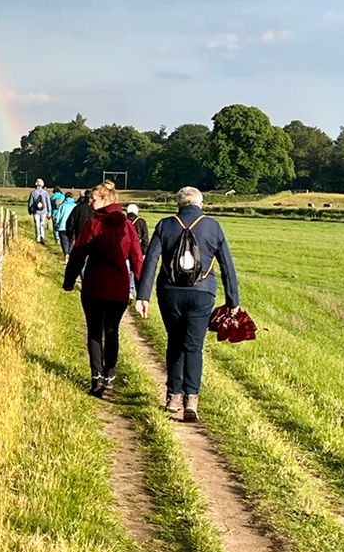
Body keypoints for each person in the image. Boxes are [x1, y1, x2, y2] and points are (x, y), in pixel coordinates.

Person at [134, 185, 240, 422]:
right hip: (202, 293)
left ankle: (173, 397)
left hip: (170, 292)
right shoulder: (213, 226)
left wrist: (143, 296)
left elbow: (150, 261)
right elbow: (227, 268)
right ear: (201, 204)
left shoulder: (165, 224)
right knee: (194, 345)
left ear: (178, 204)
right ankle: (192, 400)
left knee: (174, 342)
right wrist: (233, 301)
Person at [64, 181, 144, 397]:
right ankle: (110, 374)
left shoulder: (93, 226)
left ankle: (96, 376)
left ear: (106, 200)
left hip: (94, 286)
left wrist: (69, 280)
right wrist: (142, 289)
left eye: (94, 199)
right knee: (112, 331)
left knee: (94, 331)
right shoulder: (128, 226)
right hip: (119, 288)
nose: (90, 202)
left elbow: (78, 255)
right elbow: (137, 258)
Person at [51, 187, 78, 256]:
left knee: (64, 241)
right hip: (73, 227)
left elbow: (58, 217)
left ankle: (66, 253)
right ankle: (70, 253)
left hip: (62, 226)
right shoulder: (76, 206)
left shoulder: (62, 206)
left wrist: (56, 225)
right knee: (72, 241)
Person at [27, 178, 51, 243]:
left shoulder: (33, 193)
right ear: (42, 185)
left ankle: (38, 238)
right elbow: (48, 203)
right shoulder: (45, 193)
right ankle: (42, 236)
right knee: (42, 224)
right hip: (44, 211)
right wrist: (49, 212)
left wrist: (30, 211)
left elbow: (30, 203)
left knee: (37, 224)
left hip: (36, 211)